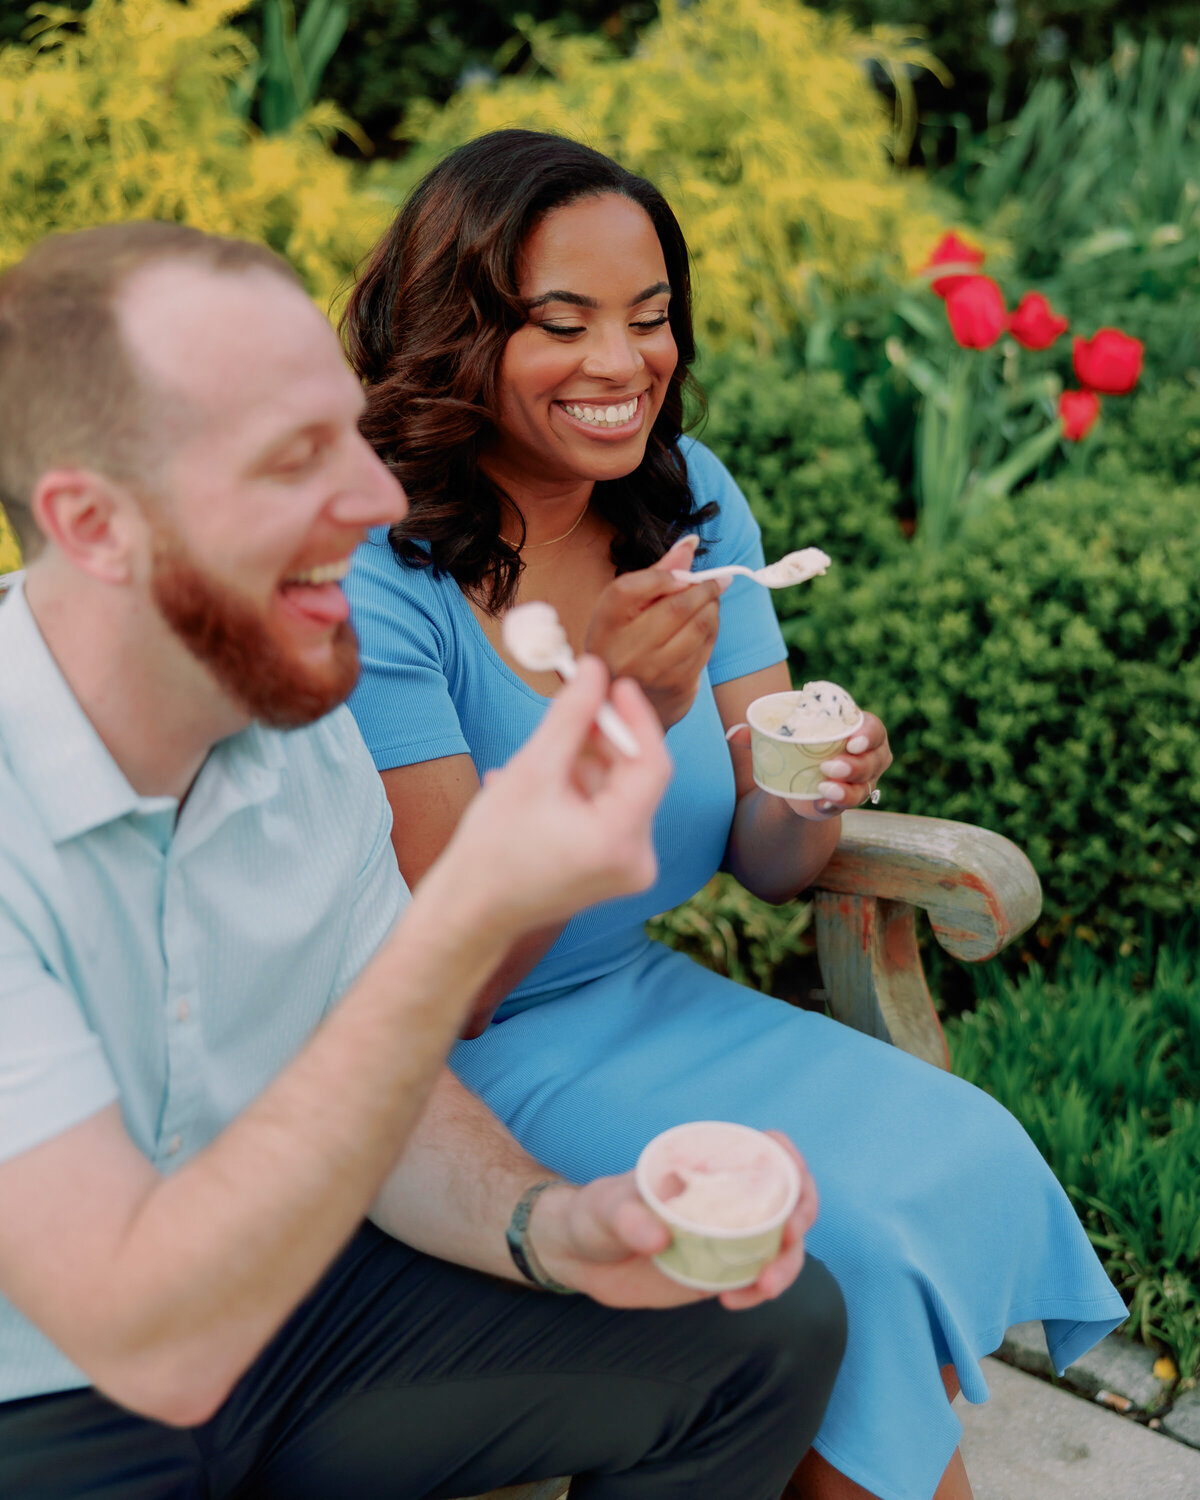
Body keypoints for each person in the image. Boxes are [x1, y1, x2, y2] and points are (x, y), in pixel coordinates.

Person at [0, 221, 850, 1500]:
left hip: (298, 1312)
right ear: (95, 523)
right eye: (295, 458)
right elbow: (139, 1331)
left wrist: (550, 1229)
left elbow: (383, 1094)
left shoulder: (297, 732)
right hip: (52, 1395)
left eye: (351, 434)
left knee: (761, 1331)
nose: (380, 500)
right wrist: (478, 905)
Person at [341, 129, 1129, 1500]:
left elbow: (771, 867)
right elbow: (452, 986)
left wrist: (811, 781)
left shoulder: (687, 496)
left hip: (644, 1001)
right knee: (849, 1244)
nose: (623, 364)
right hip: (452, 1075)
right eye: (561, 323)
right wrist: (623, 714)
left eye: (650, 320)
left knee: (959, 1150)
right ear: (456, 338)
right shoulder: (382, 578)